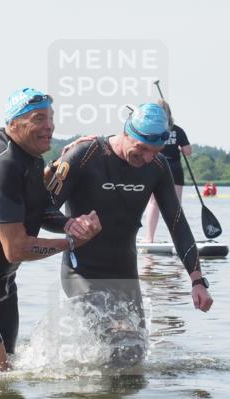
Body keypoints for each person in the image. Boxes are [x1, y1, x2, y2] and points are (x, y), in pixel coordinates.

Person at [0, 88, 102, 372]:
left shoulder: (29, 157)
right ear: (13, 124)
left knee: (9, 365)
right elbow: (16, 249)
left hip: (3, 279)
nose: (49, 126)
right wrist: (71, 243)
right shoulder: (5, 164)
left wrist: (69, 224)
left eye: (51, 118)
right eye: (38, 119)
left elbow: (39, 207)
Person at [44, 102, 213, 365]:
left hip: (125, 273)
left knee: (134, 353)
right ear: (126, 132)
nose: (147, 158)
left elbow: (177, 223)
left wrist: (197, 280)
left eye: (155, 151)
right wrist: (70, 224)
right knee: (117, 338)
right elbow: (42, 210)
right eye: (142, 148)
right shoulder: (85, 155)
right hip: (82, 271)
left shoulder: (157, 166)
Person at [142, 100, 192, 242]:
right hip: (175, 169)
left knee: (153, 203)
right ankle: (179, 240)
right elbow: (188, 152)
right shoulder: (178, 130)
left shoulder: (151, 130)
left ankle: (149, 238)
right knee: (176, 205)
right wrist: (180, 146)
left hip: (155, 168)